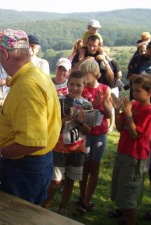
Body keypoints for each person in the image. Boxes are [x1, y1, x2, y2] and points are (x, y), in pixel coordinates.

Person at [0, 29, 61, 205]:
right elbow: (27, 120)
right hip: (36, 164)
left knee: (15, 216)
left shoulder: (27, 86)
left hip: (24, 168)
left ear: (5, 54)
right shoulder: (38, 75)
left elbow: (32, 142)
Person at [42, 70, 93, 215]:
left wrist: (81, 123)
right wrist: (67, 119)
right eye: (72, 84)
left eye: (79, 85)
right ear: (67, 84)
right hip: (59, 148)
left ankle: (63, 207)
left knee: (70, 180)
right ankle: (46, 203)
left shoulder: (87, 105)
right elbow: (51, 126)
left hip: (77, 149)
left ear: (84, 86)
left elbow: (88, 131)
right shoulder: (60, 101)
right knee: (56, 181)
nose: (75, 88)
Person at [109, 75, 151, 225]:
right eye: (133, 90)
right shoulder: (133, 105)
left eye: (139, 91)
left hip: (135, 157)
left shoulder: (148, 112)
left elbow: (134, 135)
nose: (134, 94)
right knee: (121, 185)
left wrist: (128, 115)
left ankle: (130, 220)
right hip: (123, 152)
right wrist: (117, 110)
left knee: (130, 190)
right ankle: (124, 215)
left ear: (149, 93)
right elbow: (120, 128)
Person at [74, 58, 112, 216]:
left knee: (94, 168)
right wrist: (93, 104)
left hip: (99, 134)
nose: (83, 76)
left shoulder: (105, 89)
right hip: (86, 134)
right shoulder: (83, 90)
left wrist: (102, 103)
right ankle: (82, 196)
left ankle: (87, 200)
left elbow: (109, 114)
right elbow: (81, 115)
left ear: (95, 73)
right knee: (84, 167)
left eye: (85, 73)